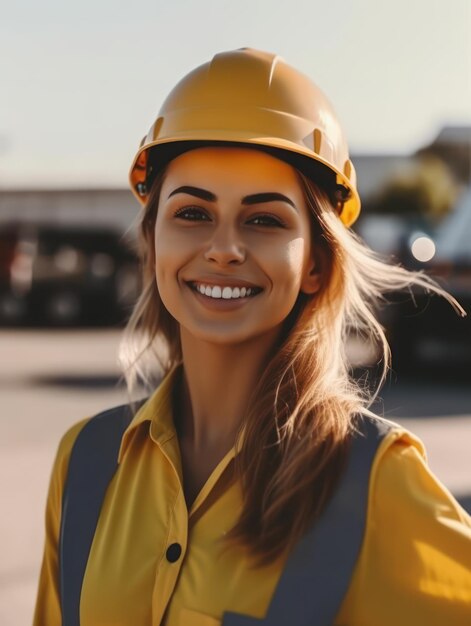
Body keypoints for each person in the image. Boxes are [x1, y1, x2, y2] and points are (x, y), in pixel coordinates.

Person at [34, 48, 471, 626]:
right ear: (153, 241)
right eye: (191, 213)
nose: (223, 248)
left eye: (265, 220)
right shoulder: (84, 463)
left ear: (316, 263)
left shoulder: (375, 483)